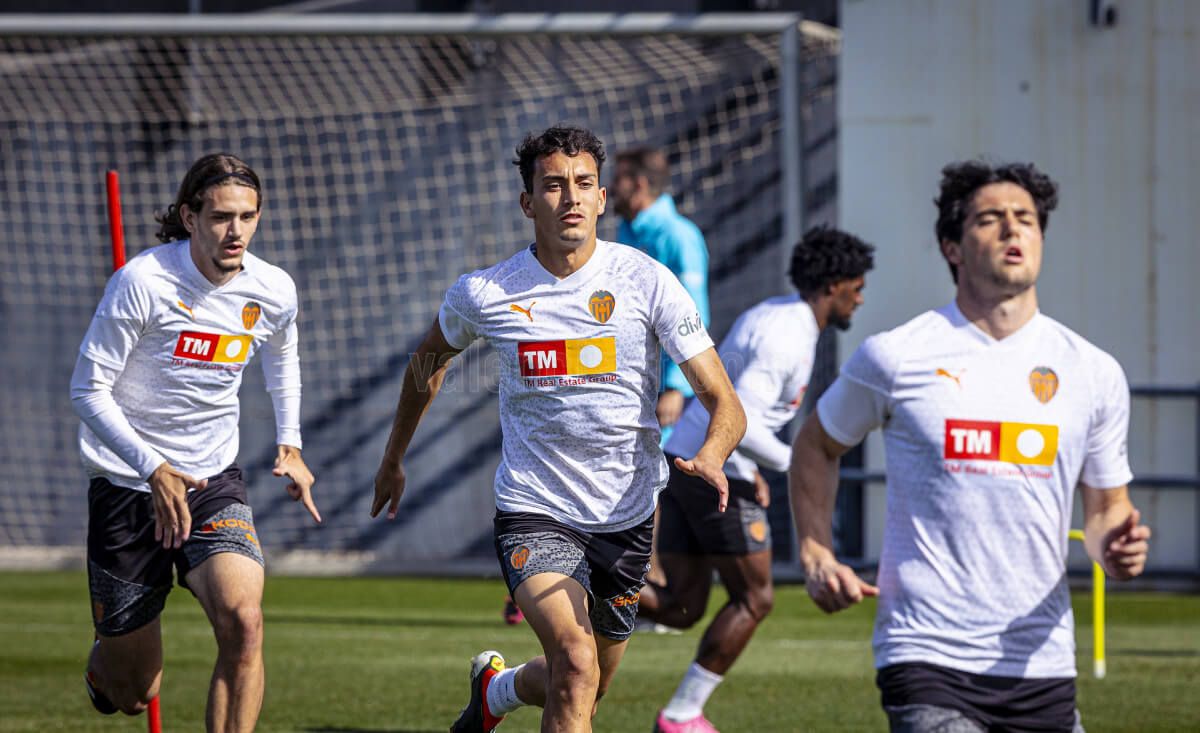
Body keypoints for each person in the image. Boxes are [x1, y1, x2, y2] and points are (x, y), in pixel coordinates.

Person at [371, 125, 746, 733]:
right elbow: (426, 362)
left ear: (602, 198)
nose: (570, 196)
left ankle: (496, 691)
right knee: (575, 662)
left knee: (585, 685)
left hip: (626, 517)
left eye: (583, 183)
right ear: (528, 202)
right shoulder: (487, 292)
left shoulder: (647, 280)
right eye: (553, 184)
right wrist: (394, 457)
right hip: (535, 508)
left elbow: (724, 399)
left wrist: (714, 451)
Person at [789, 160, 1151, 733]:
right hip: (927, 655)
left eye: (1026, 218)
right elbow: (815, 446)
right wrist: (816, 551)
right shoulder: (896, 356)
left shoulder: (1093, 371)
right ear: (952, 247)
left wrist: (1117, 550)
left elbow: (1107, 511)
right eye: (990, 218)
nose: (1012, 229)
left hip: (1044, 664)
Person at [71, 153, 321, 732]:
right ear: (189, 217)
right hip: (128, 485)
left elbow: (283, 356)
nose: (236, 231)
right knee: (135, 693)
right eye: (220, 217)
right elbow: (86, 389)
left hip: (212, 481)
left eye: (248, 216)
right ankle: (107, 666)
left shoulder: (273, 288)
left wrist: (290, 442)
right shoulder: (142, 282)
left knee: (244, 622)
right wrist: (152, 468)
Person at [641, 226, 875, 733]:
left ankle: (589, 583)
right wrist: (801, 463)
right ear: (834, 285)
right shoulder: (787, 336)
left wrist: (749, 468)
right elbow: (740, 418)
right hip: (710, 472)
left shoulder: (776, 314)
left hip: (688, 462)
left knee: (682, 606)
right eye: (857, 288)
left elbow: (738, 411)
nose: (859, 299)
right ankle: (681, 716)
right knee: (756, 598)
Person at [611, 146, 710, 433]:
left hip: (668, 397)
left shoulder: (679, 236)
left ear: (639, 185)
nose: (611, 188)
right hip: (629, 385)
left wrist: (677, 388)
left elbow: (694, 316)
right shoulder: (627, 231)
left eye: (618, 180)